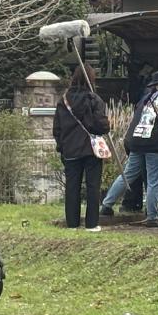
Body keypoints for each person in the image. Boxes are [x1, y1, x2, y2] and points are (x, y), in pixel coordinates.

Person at [100, 68, 158, 222]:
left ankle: (106, 205)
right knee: (154, 180)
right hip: (153, 144)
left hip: (135, 141)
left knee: (127, 175)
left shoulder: (145, 99)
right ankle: (153, 215)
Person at [52, 66, 110, 232]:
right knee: (93, 186)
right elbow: (101, 125)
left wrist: (61, 146)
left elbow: (57, 128)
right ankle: (91, 224)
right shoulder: (94, 99)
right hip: (91, 149)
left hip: (70, 149)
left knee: (72, 187)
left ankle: (72, 223)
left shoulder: (63, 100)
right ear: (91, 79)